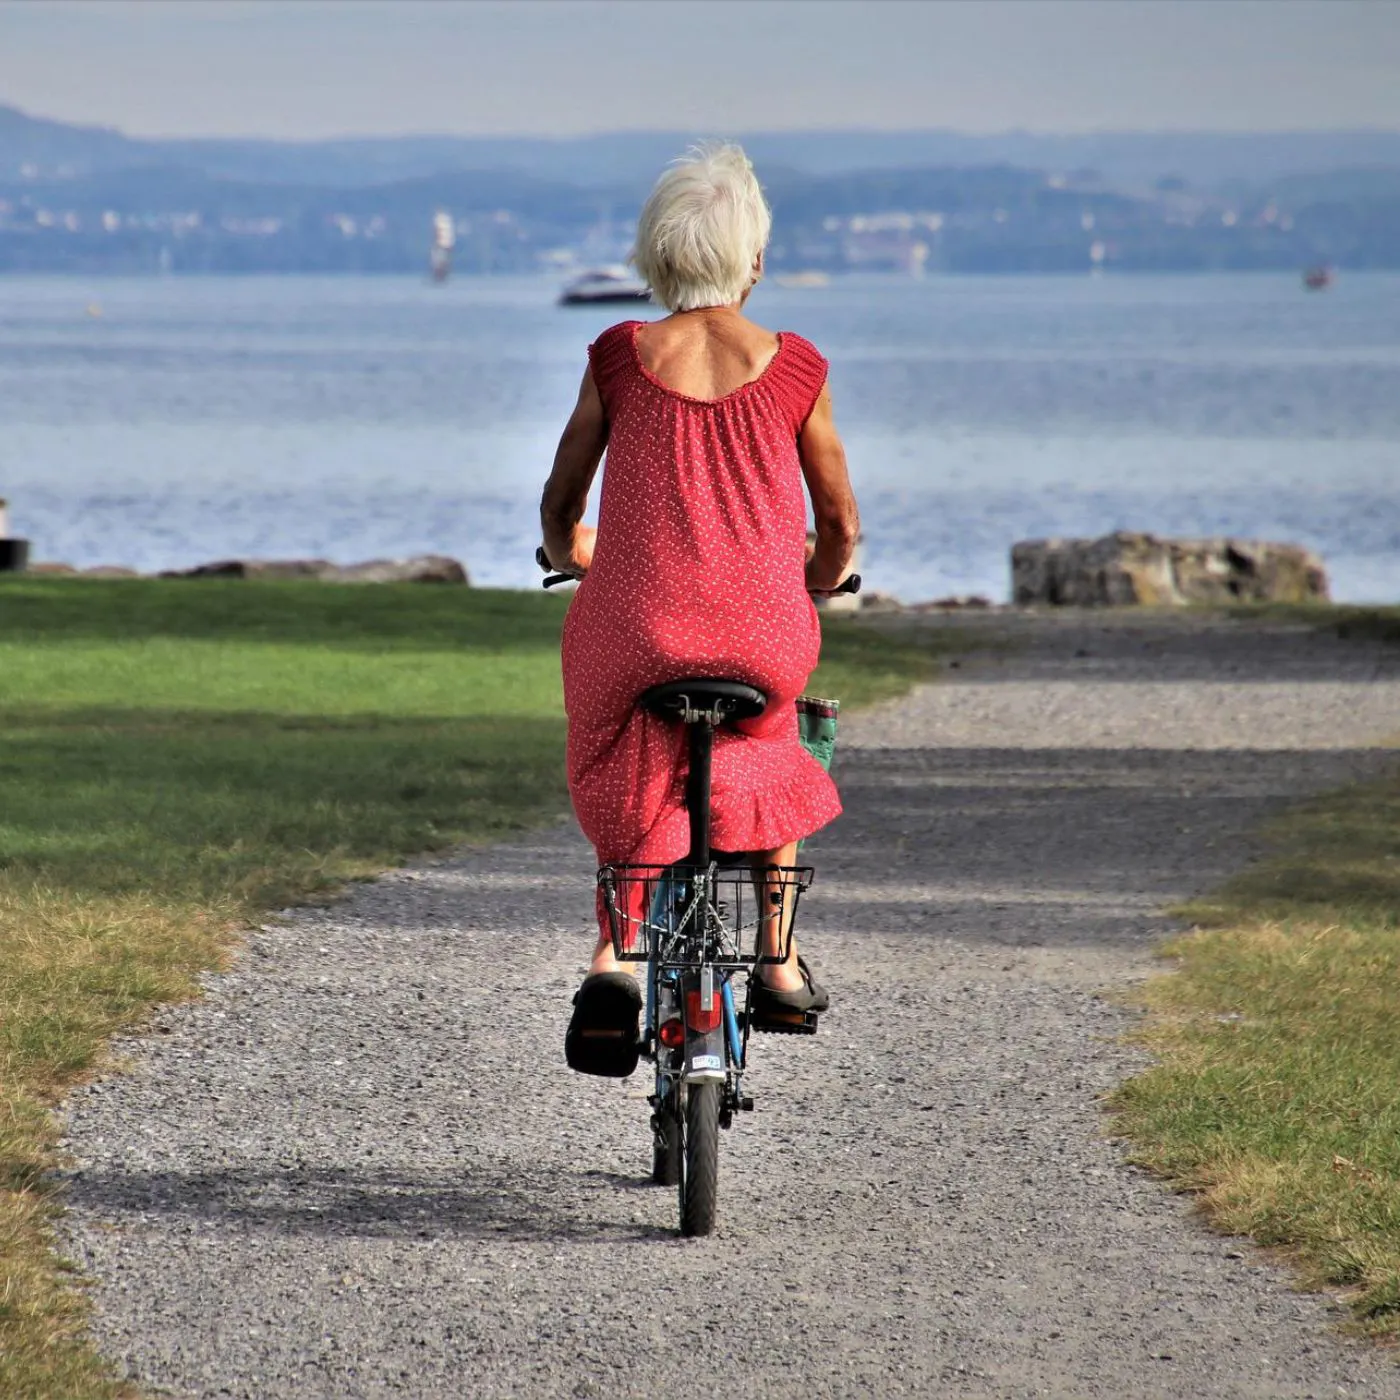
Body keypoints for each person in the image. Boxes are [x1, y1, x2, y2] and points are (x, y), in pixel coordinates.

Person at [539, 143, 860, 1076]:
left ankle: (615, 957)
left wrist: (571, 554)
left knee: (627, 741)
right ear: (753, 259)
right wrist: (820, 575)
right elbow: (839, 521)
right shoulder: (796, 366)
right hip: (761, 632)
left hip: (636, 627)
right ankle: (778, 958)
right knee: (773, 739)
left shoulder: (619, 356)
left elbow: (562, 503)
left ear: (655, 256)